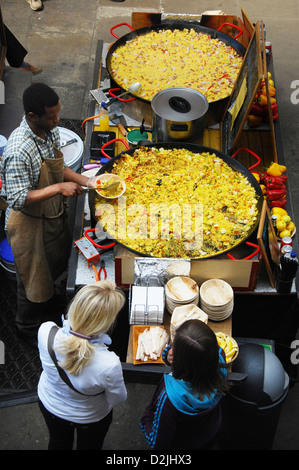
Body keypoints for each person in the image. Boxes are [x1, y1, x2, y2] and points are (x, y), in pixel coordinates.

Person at [0, 82, 96, 342]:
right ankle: (27, 328)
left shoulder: (49, 131)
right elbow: (17, 198)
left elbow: (59, 167)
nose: (57, 120)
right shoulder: (19, 150)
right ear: (32, 117)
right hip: (28, 225)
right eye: (51, 116)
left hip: (51, 216)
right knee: (32, 281)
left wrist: (88, 181)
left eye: (58, 113)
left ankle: (52, 306)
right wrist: (58, 188)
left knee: (53, 267)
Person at [37, 280, 127, 450]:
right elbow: (118, 398)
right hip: (90, 417)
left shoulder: (46, 331)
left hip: (50, 405)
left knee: (58, 444)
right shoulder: (109, 363)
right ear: (106, 323)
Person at [140, 320, 230, 450]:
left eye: (173, 347)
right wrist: (170, 356)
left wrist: (146, 419)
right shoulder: (219, 358)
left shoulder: (169, 398)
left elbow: (158, 444)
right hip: (210, 433)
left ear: (181, 362)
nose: (171, 348)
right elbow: (201, 356)